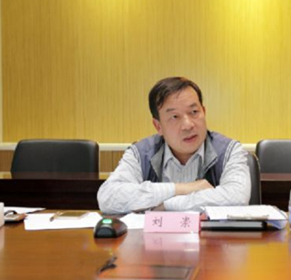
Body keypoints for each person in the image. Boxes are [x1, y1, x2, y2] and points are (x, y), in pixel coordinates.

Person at [98, 77, 250, 214]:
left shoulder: (229, 150)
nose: (188, 125)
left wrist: (168, 205)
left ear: (204, 112)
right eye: (175, 116)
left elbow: (237, 197)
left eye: (194, 112)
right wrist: (182, 188)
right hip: (155, 236)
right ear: (158, 126)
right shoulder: (141, 153)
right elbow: (108, 197)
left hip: (209, 237)